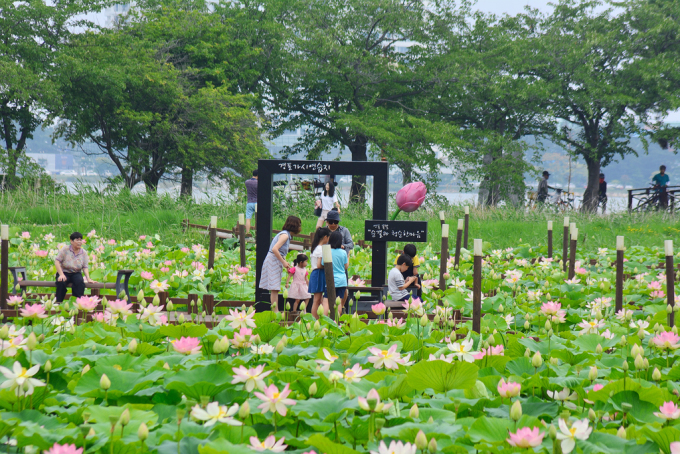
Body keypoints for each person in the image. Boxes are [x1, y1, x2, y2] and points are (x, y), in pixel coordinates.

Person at [259, 215, 302, 312]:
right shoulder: (285, 235)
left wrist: (285, 263)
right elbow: (275, 249)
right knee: (274, 287)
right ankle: (275, 311)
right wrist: (283, 262)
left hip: (275, 260)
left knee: (275, 287)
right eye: (299, 225)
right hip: (273, 260)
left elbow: (280, 252)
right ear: (294, 225)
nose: (300, 227)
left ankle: (275, 310)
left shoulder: (285, 234)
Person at [55, 232, 96, 302]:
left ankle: (77, 303)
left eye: (80, 240)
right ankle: (59, 302)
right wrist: (61, 274)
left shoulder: (84, 253)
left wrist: (88, 278)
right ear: (71, 241)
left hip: (76, 273)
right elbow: (57, 261)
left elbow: (85, 267)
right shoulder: (65, 249)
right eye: (77, 240)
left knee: (80, 282)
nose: (79, 242)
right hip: (64, 272)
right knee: (61, 282)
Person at [325, 209, 352, 305]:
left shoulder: (344, 230)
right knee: (327, 290)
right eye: (330, 222)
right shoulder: (323, 231)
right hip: (328, 263)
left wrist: (343, 246)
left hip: (341, 261)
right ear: (327, 222)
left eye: (335, 222)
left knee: (344, 290)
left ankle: (341, 307)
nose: (333, 224)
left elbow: (351, 244)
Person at [321, 230, 348, 317]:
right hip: (342, 280)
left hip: (330, 279)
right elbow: (346, 266)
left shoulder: (327, 251)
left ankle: (324, 321)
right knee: (338, 301)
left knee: (326, 301)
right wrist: (349, 255)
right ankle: (336, 321)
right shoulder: (343, 252)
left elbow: (322, 264)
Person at [309, 227, 331, 318]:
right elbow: (319, 265)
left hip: (318, 274)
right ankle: (314, 320)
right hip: (318, 273)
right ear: (325, 237)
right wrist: (328, 266)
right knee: (317, 300)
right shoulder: (320, 249)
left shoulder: (316, 247)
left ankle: (316, 319)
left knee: (318, 300)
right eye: (329, 237)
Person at [245, 170, 258, 234]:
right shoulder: (258, 183)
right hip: (257, 202)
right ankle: (256, 233)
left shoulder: (247, 182)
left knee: (248, 219)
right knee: (257, 219)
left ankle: (247, 233)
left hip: (249, 202)